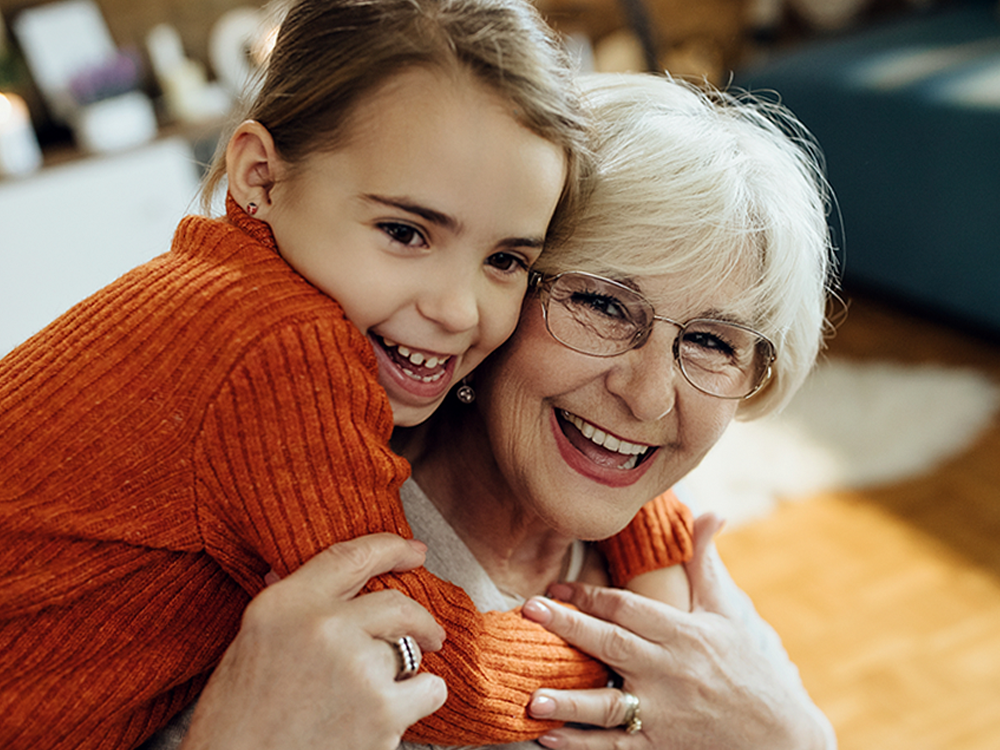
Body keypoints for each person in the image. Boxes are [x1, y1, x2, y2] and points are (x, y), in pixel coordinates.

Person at [0, 4, 694, 748]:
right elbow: (425, 672)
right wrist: (640, 670)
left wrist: (641, 514)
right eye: (407, 232)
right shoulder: (275, 341)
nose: (459, 309)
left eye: (506, 261)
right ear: (257, 178)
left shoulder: (230, 288)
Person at [171, 72, 840, 750]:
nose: (646, 396)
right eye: (602, 305)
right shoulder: (304, 539)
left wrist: (786, 733)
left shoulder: (664, 549)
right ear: (500, 283)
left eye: (708, 342)